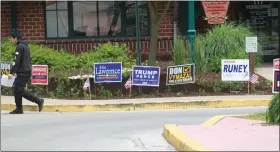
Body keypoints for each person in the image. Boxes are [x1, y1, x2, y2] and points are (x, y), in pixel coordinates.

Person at [8, 30, 44, 114]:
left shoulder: (20, 46)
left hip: (23, 72)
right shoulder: (24, 46)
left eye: (11, 38)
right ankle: (19, 108)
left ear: (15, 38)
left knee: (19, 89)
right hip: (25, 71)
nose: (11, 40)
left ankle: (38, 100)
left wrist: (11, 72)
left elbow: (16, 60)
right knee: (17, 89)